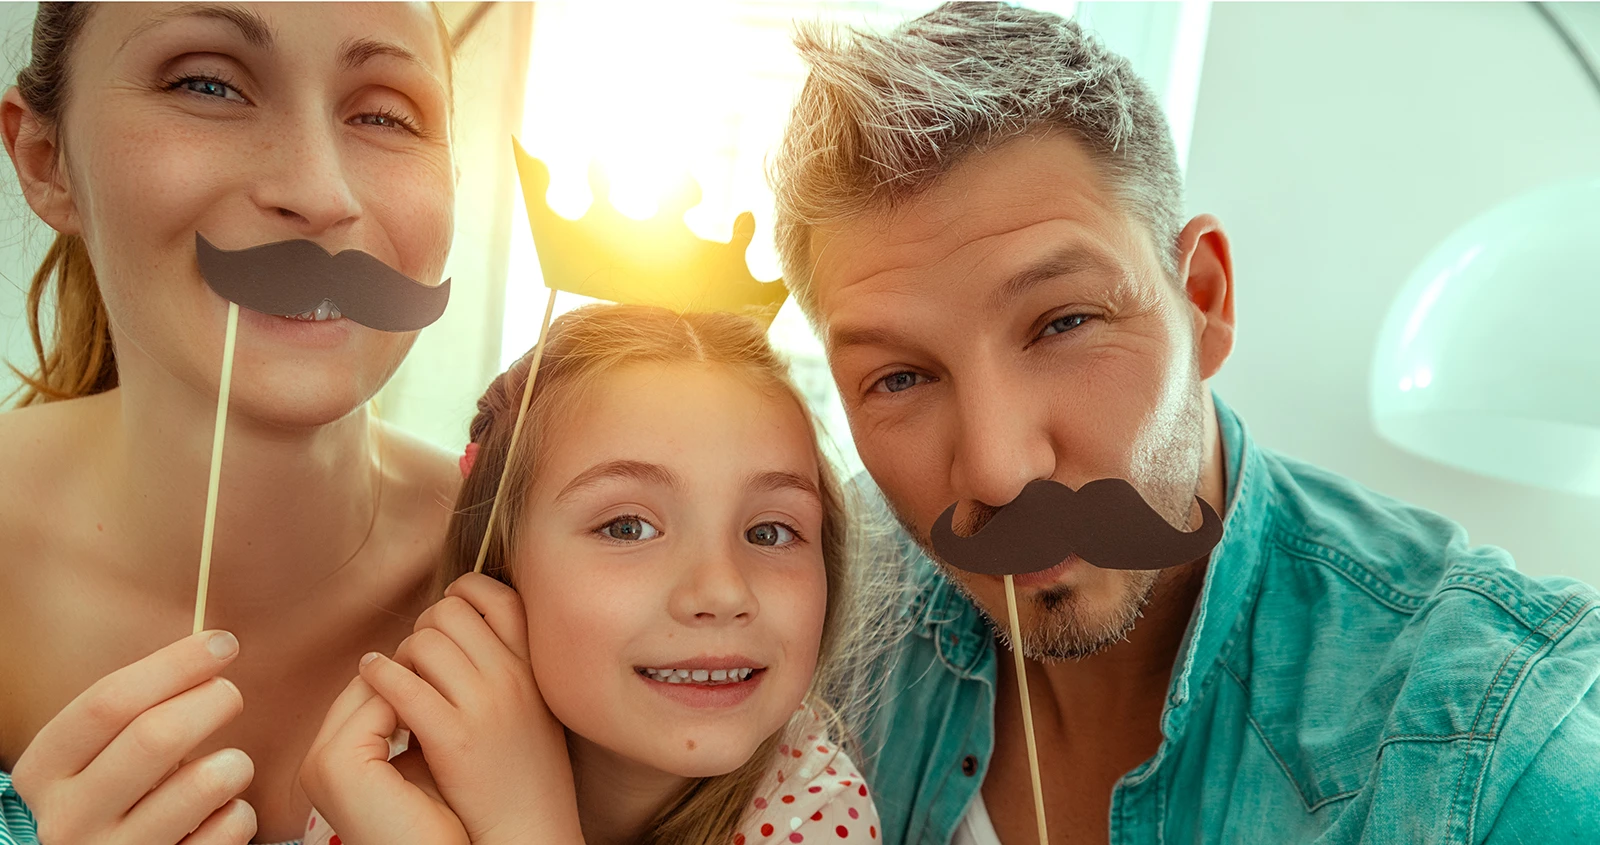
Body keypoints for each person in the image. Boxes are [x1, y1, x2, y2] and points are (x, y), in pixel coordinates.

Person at [768, 4, 1600, 843]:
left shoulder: (1492, 748)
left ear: (1203, 300)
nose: (997, 469)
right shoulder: (813, 612)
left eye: (1064, 324)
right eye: (900, 377)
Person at [0, 4, 460, 843]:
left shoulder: (537, 569)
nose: (321, 194)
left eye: (384, 114)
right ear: (45, 161)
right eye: (208, 85)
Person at [299, 305, 890, 844]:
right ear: (498, 568)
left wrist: (526, 828)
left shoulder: (814, 809)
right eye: (627, 527)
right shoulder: (377, 789)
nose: (723, 591)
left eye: (769, 533)